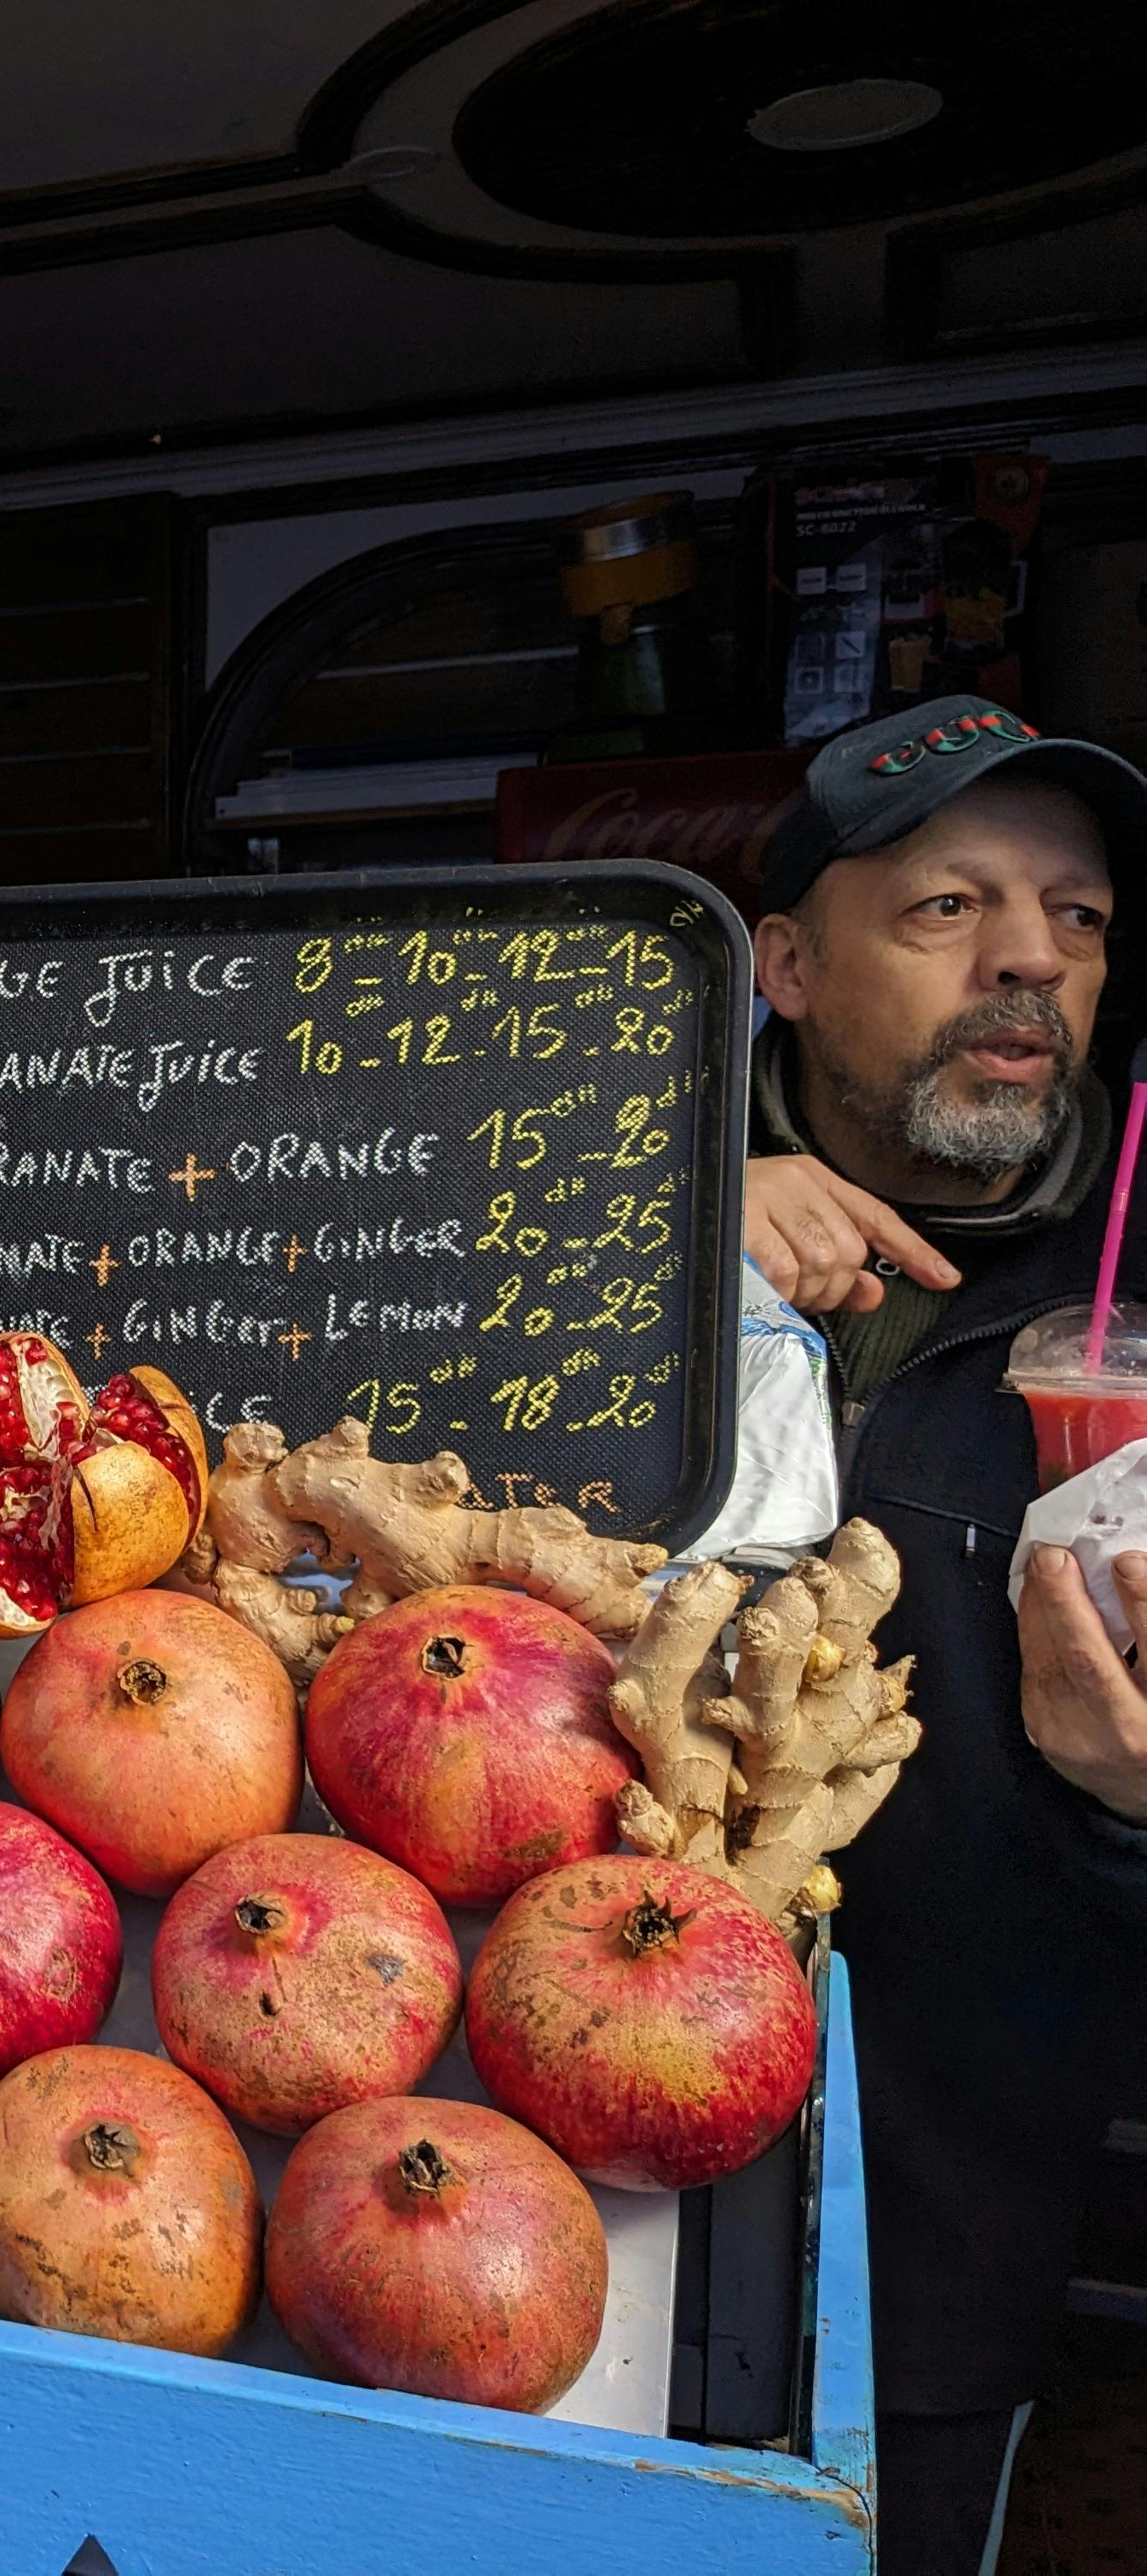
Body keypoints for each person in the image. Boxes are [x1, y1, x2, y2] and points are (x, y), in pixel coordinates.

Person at [741, 693, 1147, 2576]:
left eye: (1078, 920)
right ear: (790, 965)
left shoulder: (1126, 1342)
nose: (1029, 965)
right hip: (509, 2151)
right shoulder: (586, 1215)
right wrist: (659, 1239)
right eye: (950, 909)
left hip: (927, 2260)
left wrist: (1131, 1801)